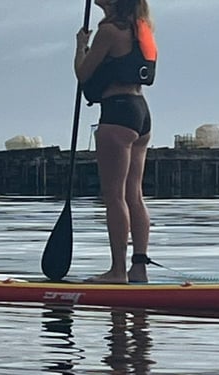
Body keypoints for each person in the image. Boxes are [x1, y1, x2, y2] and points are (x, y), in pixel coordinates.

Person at [74, 0, 157, 283]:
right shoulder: (140, 28)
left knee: (114, 196)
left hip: (118, 112)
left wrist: (80, 46)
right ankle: (139, 268)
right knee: (134, 194)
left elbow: (83, 74)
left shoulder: (109, 32)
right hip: (141, 112)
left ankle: (117, 271)